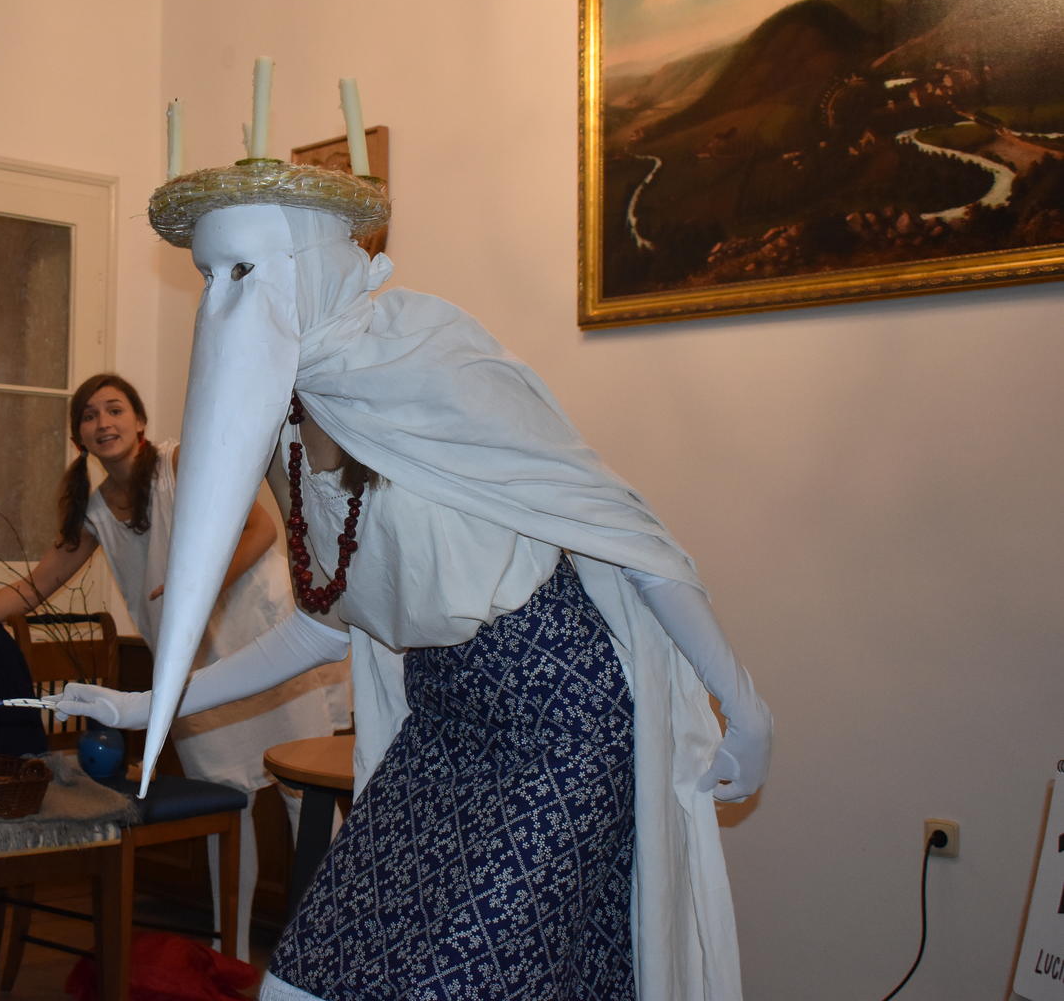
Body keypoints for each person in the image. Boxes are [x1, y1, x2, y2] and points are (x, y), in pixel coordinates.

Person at [55, 158, 772, 1000]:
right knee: (307, 979)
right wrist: (148, 705)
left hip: (559, 722)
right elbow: (328, 620)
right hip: (442, 728)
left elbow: (625, 538)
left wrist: (744, 706)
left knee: (462, 978)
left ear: (313, 262)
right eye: (208, 277)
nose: (223, 300)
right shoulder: (286, 423)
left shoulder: (432, 359)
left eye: (242, 270)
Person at [0, 372, 349, 960]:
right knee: (227, 802)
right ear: (80, 437)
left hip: (263, 645)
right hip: (189, 673)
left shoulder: (179, 463)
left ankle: (333, 948)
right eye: (89, 415)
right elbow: (37, 584)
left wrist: (199, 587)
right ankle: (232, 956)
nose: (103, 422)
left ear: (139, 421)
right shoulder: (93, 512)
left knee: (303, 795)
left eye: (115, 409)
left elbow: (261, 528)